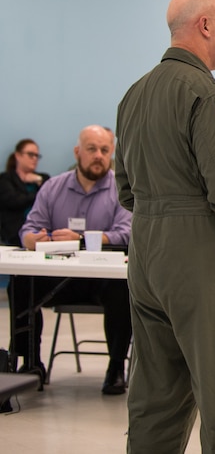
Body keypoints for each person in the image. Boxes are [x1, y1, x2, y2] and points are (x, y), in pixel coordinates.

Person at [116, 0, 215, 453]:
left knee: (156, 393)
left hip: (146, 255)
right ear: (204, 25)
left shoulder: (134, 95)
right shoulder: (208, 93)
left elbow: (126, 191)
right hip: (199, 255)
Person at [10, 126, 132, 395]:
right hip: (60, 278)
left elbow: (126, 233)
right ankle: (29, 363)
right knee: (21, 284)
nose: (98, 155)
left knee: (124, 289)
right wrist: (30, 239)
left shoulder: (122, 191)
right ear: (78, 152)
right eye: (91, 149)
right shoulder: (53, 187)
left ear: (112, 153)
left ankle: (115, 368)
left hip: (102, 280)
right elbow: (30, 228)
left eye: (104, 150)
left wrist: (81, 237)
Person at [0, 139, 51, 246]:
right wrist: (37, 195)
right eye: (30, 155)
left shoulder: (43, 178)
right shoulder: (6, 179)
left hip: (41, 234)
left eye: (37, 156)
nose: (34, 159)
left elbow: (51, 197)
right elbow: (13, 201)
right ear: (18, 156)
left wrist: (38, 180)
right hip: (13, 235)